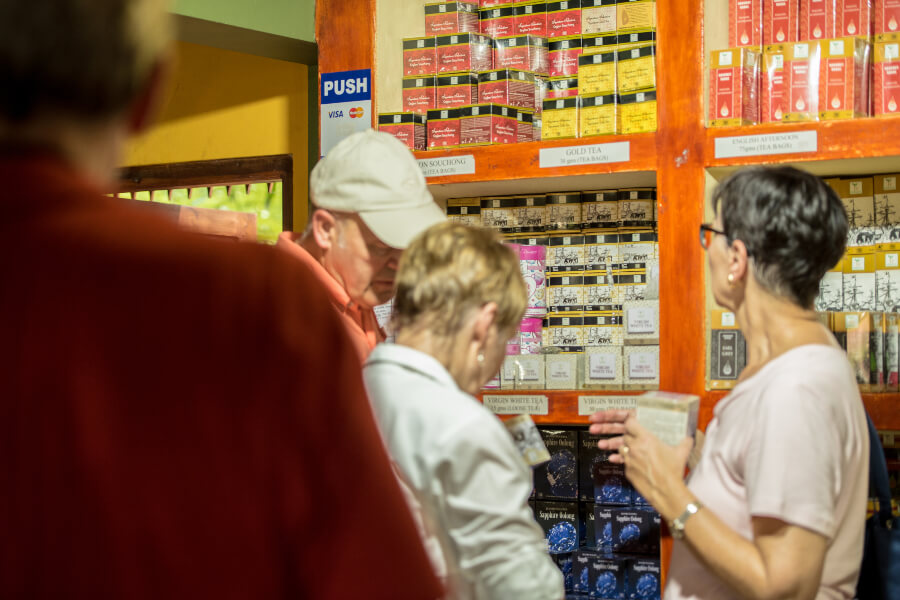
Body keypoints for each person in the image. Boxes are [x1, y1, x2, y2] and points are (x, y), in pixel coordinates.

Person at [0, 1, 442, 598]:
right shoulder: (258, 305)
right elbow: (381, 575)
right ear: (150, 93)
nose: (395, 264)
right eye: (382, 245)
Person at [590, 166, 869, 600]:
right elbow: (761, 479)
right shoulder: (794, 360)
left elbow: (785, 586)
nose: (707, 251)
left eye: (710, 235)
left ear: (737, 258)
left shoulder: (795, 389)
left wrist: (667, 490)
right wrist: (696, 449)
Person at [363, 222, 565, 600]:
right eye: (507, 338)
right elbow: (524, 587)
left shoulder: (353, 389)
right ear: (484, 325)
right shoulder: (463, 426)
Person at [277, 129, 445, 362]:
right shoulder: (283, 315)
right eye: (382, 246)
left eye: (409, 248)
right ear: (325, 229)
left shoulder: (353, 294)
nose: (400, 265)